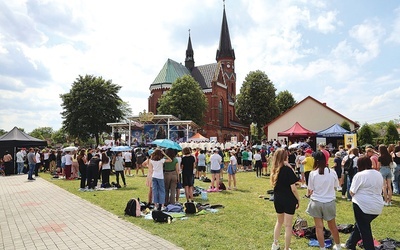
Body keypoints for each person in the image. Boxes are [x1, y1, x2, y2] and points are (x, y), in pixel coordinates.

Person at [345, 156, 384, 250]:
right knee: (361, 225)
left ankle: (369, 248)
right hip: (377, 205)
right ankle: (350, 244)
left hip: (362, 205)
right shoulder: (378, 174)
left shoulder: (360, 175)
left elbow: (352, 192)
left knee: (364, 229)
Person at [306, 151, 341, 250]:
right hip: (329, 202)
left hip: (316, 202)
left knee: (319, 227)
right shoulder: (332, 172)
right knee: (333, 226)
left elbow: (310, 189)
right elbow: (336, 186)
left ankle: (322, 247)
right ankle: (338, 246)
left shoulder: (313, 174)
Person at [270, 148, 300, 250]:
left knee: (279, 222)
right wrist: (298, 199)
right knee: (288, 226)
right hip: (288, 199)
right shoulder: (287, 170)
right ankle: (286, 248)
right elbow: (293, 188)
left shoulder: (274, 169)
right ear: (285, 157)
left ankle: (275, 244)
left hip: (278, 199)